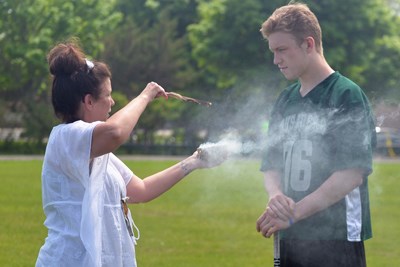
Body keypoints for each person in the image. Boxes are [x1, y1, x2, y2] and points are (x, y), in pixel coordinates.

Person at [35, 40, 225, 267]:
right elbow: (116, 132)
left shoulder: (98, 153)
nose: (112, 102)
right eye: (107, 95)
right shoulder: (65, 137)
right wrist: (146, 95)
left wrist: (195, 161)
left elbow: (140, 190)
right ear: (88, 101)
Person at [255, 2, 376, 267]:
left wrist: (296, 212)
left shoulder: (345, 94)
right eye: (273, 52)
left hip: (336, 238)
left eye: (282, 50)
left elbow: (351, 174)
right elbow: (271, 164)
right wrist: (276, 198)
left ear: (308, 44)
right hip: (291, 233)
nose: (276, 60)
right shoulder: (285, 100)